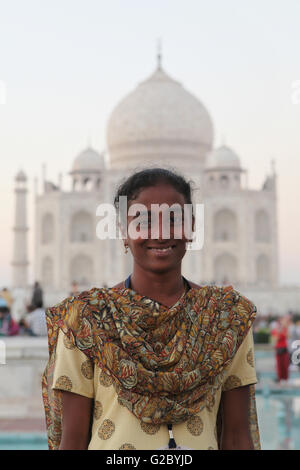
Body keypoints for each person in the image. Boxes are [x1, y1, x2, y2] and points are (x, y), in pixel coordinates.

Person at [42, 168, 260, 450]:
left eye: (173, 219)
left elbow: (236, 437)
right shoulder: (87, 319)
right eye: (142, 220)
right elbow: (73, 441)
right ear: (123, 230)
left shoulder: (225, 317)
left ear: (191, 227)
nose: (159, 232)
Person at [272, 317, 290, 385]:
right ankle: (279, 380)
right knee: (279, 366)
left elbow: (288, 336)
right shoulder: (275, 330)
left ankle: (286, 380)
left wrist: (283, 328)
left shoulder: (285, 329)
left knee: (285, 365)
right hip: (278, 349)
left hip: (284, 348)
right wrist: (279, 331)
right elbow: (276, 339)